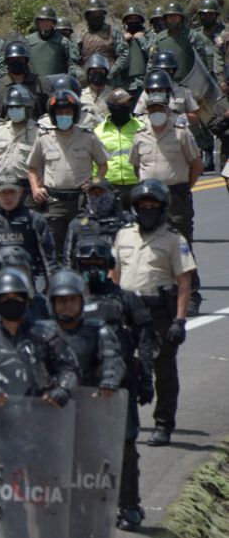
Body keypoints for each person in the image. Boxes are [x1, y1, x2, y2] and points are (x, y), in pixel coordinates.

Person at [71, 237, 155, 530]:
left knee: (126, 446)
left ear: (108, 265)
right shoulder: (68, 300)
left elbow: (145, 338)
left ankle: (129, 505)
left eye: (98, 263)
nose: (92, 268)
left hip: (120, 386)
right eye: (86, 263)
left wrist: (146, 377)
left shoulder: (126, 299)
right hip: (78, 386)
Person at [111, 179, 196, 447]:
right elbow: (114, 273)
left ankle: (163, 424)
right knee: (121, 367)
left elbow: (184, 281)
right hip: (127, 312)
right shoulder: (124, 234)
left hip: (158, 314)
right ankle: (123, 422)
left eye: (153, 205)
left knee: (164, 371)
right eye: (143, 205)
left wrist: (180, 321)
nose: (147, 209)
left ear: (161, 208)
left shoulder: (174, 239)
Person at [0, 268, 79, 413]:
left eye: (17, 298)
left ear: (26, 301)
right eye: (5, 298)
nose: (11, 302)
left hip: (42, 419)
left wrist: (63, 388)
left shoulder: (46, 337)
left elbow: (69, 370)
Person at [130, 93, 204, 315]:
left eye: (160, 109)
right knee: (150, 246)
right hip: (149, 200)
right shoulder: (140, 135)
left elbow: (197, 165)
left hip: (176, 197)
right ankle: (155, 294)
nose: (156, 114)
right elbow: (136, 167)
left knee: (182, 246)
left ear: (168, 110)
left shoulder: (182, 134)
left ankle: (191, 296)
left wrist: (183, 188)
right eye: (152, 110)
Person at [27, 89, 109, 252]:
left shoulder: (88, 136)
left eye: (67, 112)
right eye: (59, 112)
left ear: (75, 114)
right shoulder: (43, 137)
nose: (63, 116)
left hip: (81, 201)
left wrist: (95, 181)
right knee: (53, 247)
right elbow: (32, 167)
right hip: (54, 203)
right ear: (53, 115)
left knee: (82, 246)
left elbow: (103, 165)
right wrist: (35, 188)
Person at [0, 176, 57, 313]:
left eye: (12, 192)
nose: (8, 197)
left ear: (20, 192)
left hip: (27, 291)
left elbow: (49, 261)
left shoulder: (35, 221)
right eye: (3, 193)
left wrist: (54, 292)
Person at [47, 270, 124, 391]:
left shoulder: (98, 330)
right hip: (51, 402)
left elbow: (112, 360)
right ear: (53, 303)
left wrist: (109, 381)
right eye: (61, 300)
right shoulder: (43, 333)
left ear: (82, 301)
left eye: (73, 299)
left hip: (89, 400)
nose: (67, 305)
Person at [93, 89, 143, 206]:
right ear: (112, 107)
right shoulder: (98, 132)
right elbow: (94, 165)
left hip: (137, 185)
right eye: (122, 104)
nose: (127, 107)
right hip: (109, 187)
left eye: (128, 103)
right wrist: (96, 184)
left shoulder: (141, 128)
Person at [62, 180, 131, 264]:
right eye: (93, 193)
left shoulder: (125, 220)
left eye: (101, 192)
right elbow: (67, 260)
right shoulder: (79, 222)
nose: (97, 196)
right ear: (88, 196)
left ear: (112, 194)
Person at [153, 1, 214, 82]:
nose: (172, 19)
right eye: (169, 16)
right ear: (165, 19)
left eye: (175, 16)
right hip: (164, 83)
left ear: (181, 18)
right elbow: (152, 62)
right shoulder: (159, 38)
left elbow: (202, 63)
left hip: (190, 83)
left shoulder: (192, 36)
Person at [0, 41, 53, 116]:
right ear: (7, 61)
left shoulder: (40, 84)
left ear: (26, 61)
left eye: (20, 59)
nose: (16, 62)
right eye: (12, 59)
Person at [78, 0, 130, 86]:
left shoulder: (113, 32)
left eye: (99, 13)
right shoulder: (82, 35)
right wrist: (82, 75)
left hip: (110, 81)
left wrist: (111, 72)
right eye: (93, 14)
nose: (96, 16)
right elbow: (75, 60)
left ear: (103, 15)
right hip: (88, 82)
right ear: (87, 16)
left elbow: (124, 55)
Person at [24, 6, 82, 80]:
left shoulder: (63, 42)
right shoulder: (28, 40)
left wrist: (78, 73)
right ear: (38, 22)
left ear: (53, 22)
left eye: (48, 20)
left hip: (57, 86)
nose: (45, 23)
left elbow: (73, 64)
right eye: (42, 20)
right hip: (34, 86)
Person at [119, 6, 153, 97]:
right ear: (126, 21)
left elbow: (152, 54)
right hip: (125, 82)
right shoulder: (120, 36)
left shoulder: (149, 35)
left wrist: (141, 39)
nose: (133, 21)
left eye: (136, 18)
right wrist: (123, 40)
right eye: (130, 18)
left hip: (144, 81)